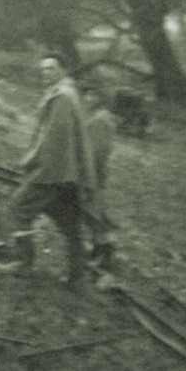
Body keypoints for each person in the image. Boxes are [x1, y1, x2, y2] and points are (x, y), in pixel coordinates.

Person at [6, 54, 95, 288]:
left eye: (51, 69)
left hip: (53, 171)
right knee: (68, 223)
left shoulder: (62, 97)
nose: (45, 73)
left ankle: (25, 264)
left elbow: (52, 138)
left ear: (63, 70)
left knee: (19, 207)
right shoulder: (66, 93)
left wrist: (30, 161)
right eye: (43, 69)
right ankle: (77, 276)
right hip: (67, 172)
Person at [81, 84, 118, 269]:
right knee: (93, 212)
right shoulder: (100, 117)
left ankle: (105, 253)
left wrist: (88, 177)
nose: (87, 98)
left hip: (92, 174)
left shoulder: (100, 120)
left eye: (91, 94)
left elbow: (97, 152)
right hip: (94, 173)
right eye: (86, 94)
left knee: (93, 214)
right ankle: (99, 248)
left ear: (100, 98)